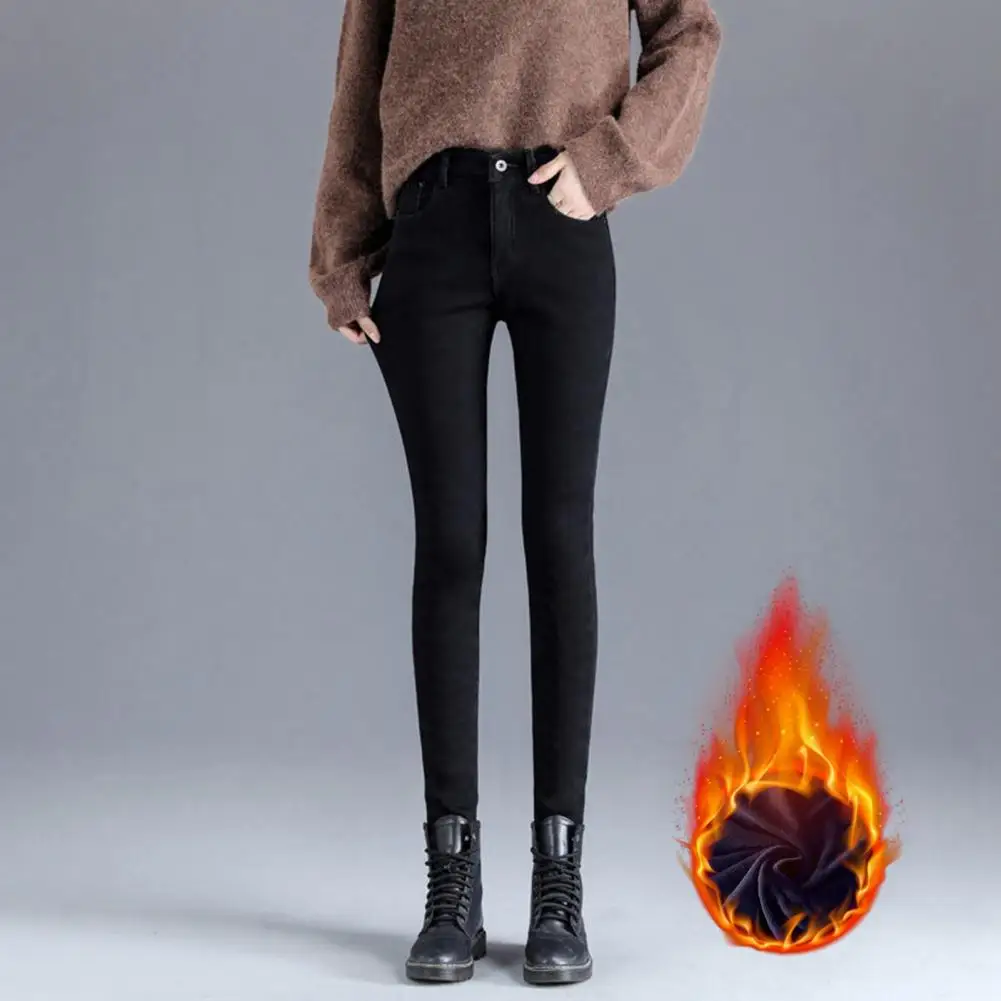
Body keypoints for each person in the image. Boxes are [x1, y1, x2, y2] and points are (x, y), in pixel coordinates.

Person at [308, 0, 721, 985]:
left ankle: (556, 878)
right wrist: (342, 255)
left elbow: (689, 33)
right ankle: (450, 880)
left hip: (559, 218)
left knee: (559, 539)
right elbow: (361, 67)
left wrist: (611, 159)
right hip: (433, 222)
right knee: (450, 544)